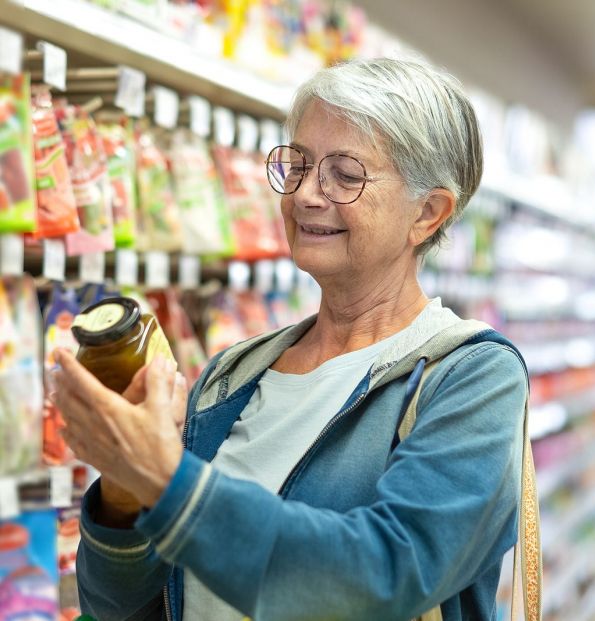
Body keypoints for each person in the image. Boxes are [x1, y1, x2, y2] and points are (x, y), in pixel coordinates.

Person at [53, 56, 529, 621]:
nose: (306, 194)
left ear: (428, 213)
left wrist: (163, 477)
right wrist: (123, 482)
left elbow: (383, 575)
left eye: (345, 174)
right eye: (298, 165)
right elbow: (119, 608)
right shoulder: (231, 376)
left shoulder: (471, 378)